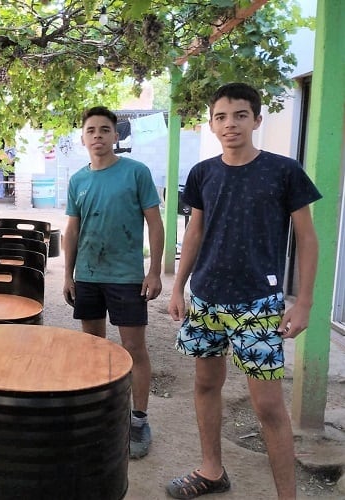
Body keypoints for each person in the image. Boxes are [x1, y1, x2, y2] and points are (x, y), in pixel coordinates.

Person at [166, 83, 321, 499]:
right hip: (206, 299)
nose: (229, 124)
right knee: (204, 384)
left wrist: (303, 301)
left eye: (239, 115)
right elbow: (194, 231)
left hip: (258, 304)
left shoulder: (283, 171)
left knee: (268, 406)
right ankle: (211, 471)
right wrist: (178, 287)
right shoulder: (203, 173)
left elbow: (307, 238)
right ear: (212, 123)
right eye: (221, 116)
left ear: (256, 119)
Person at [63, 106, 164, 459]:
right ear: (83, 138)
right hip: (88, 275)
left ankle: (138, 419)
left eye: (105, 130)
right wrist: (68, 274)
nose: (98, 136)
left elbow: (155, 223)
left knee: (134, 350)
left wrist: (154, 271)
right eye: (91, 130)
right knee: (92, 349)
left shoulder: (136, 173)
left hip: (127, 278)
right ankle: (99, 415)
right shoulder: (78, 180)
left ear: (116, 136)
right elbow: (72, 230)